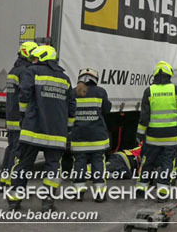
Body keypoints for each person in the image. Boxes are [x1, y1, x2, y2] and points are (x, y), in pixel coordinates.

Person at [7, 45, 75, 211]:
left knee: (23, 164)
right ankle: (48, 202)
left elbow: (24, 94)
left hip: (32, 130)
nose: (33, 62)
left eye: (35, 58)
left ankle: (15, 200)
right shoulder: (65, 79)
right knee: (53, 167)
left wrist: (23, 115)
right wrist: (68, 129)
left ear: (43, 58)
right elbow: (72, 106)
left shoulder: (32, 71)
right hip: (56, 134)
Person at [136, 61, 177, 200]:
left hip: (153, 137)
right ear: (170, 75)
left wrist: (139, 134)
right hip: (171, 137)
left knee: (147, 161)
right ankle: (163, 191)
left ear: (155, 75)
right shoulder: (176, 90)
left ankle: (141, 188)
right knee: (168, 163)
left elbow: (144, 117)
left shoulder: (149, 91)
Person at [69, 68, 112, 202]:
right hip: (97, 136)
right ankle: (99, 194)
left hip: (78, 136)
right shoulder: (100, 92)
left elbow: (69, 112)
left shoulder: (73, 92)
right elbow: (107, 109)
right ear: (95, 79)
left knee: (79, 163)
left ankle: (78, 192)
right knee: (98, 162)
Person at [0, 41, 38, 187]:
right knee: (17, 149)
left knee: (10, 148)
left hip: (10, 114)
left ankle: (4, 178)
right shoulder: (25, 71)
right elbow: (25, 94)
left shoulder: (13, 70)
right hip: (19, 116)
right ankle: (11, 179)